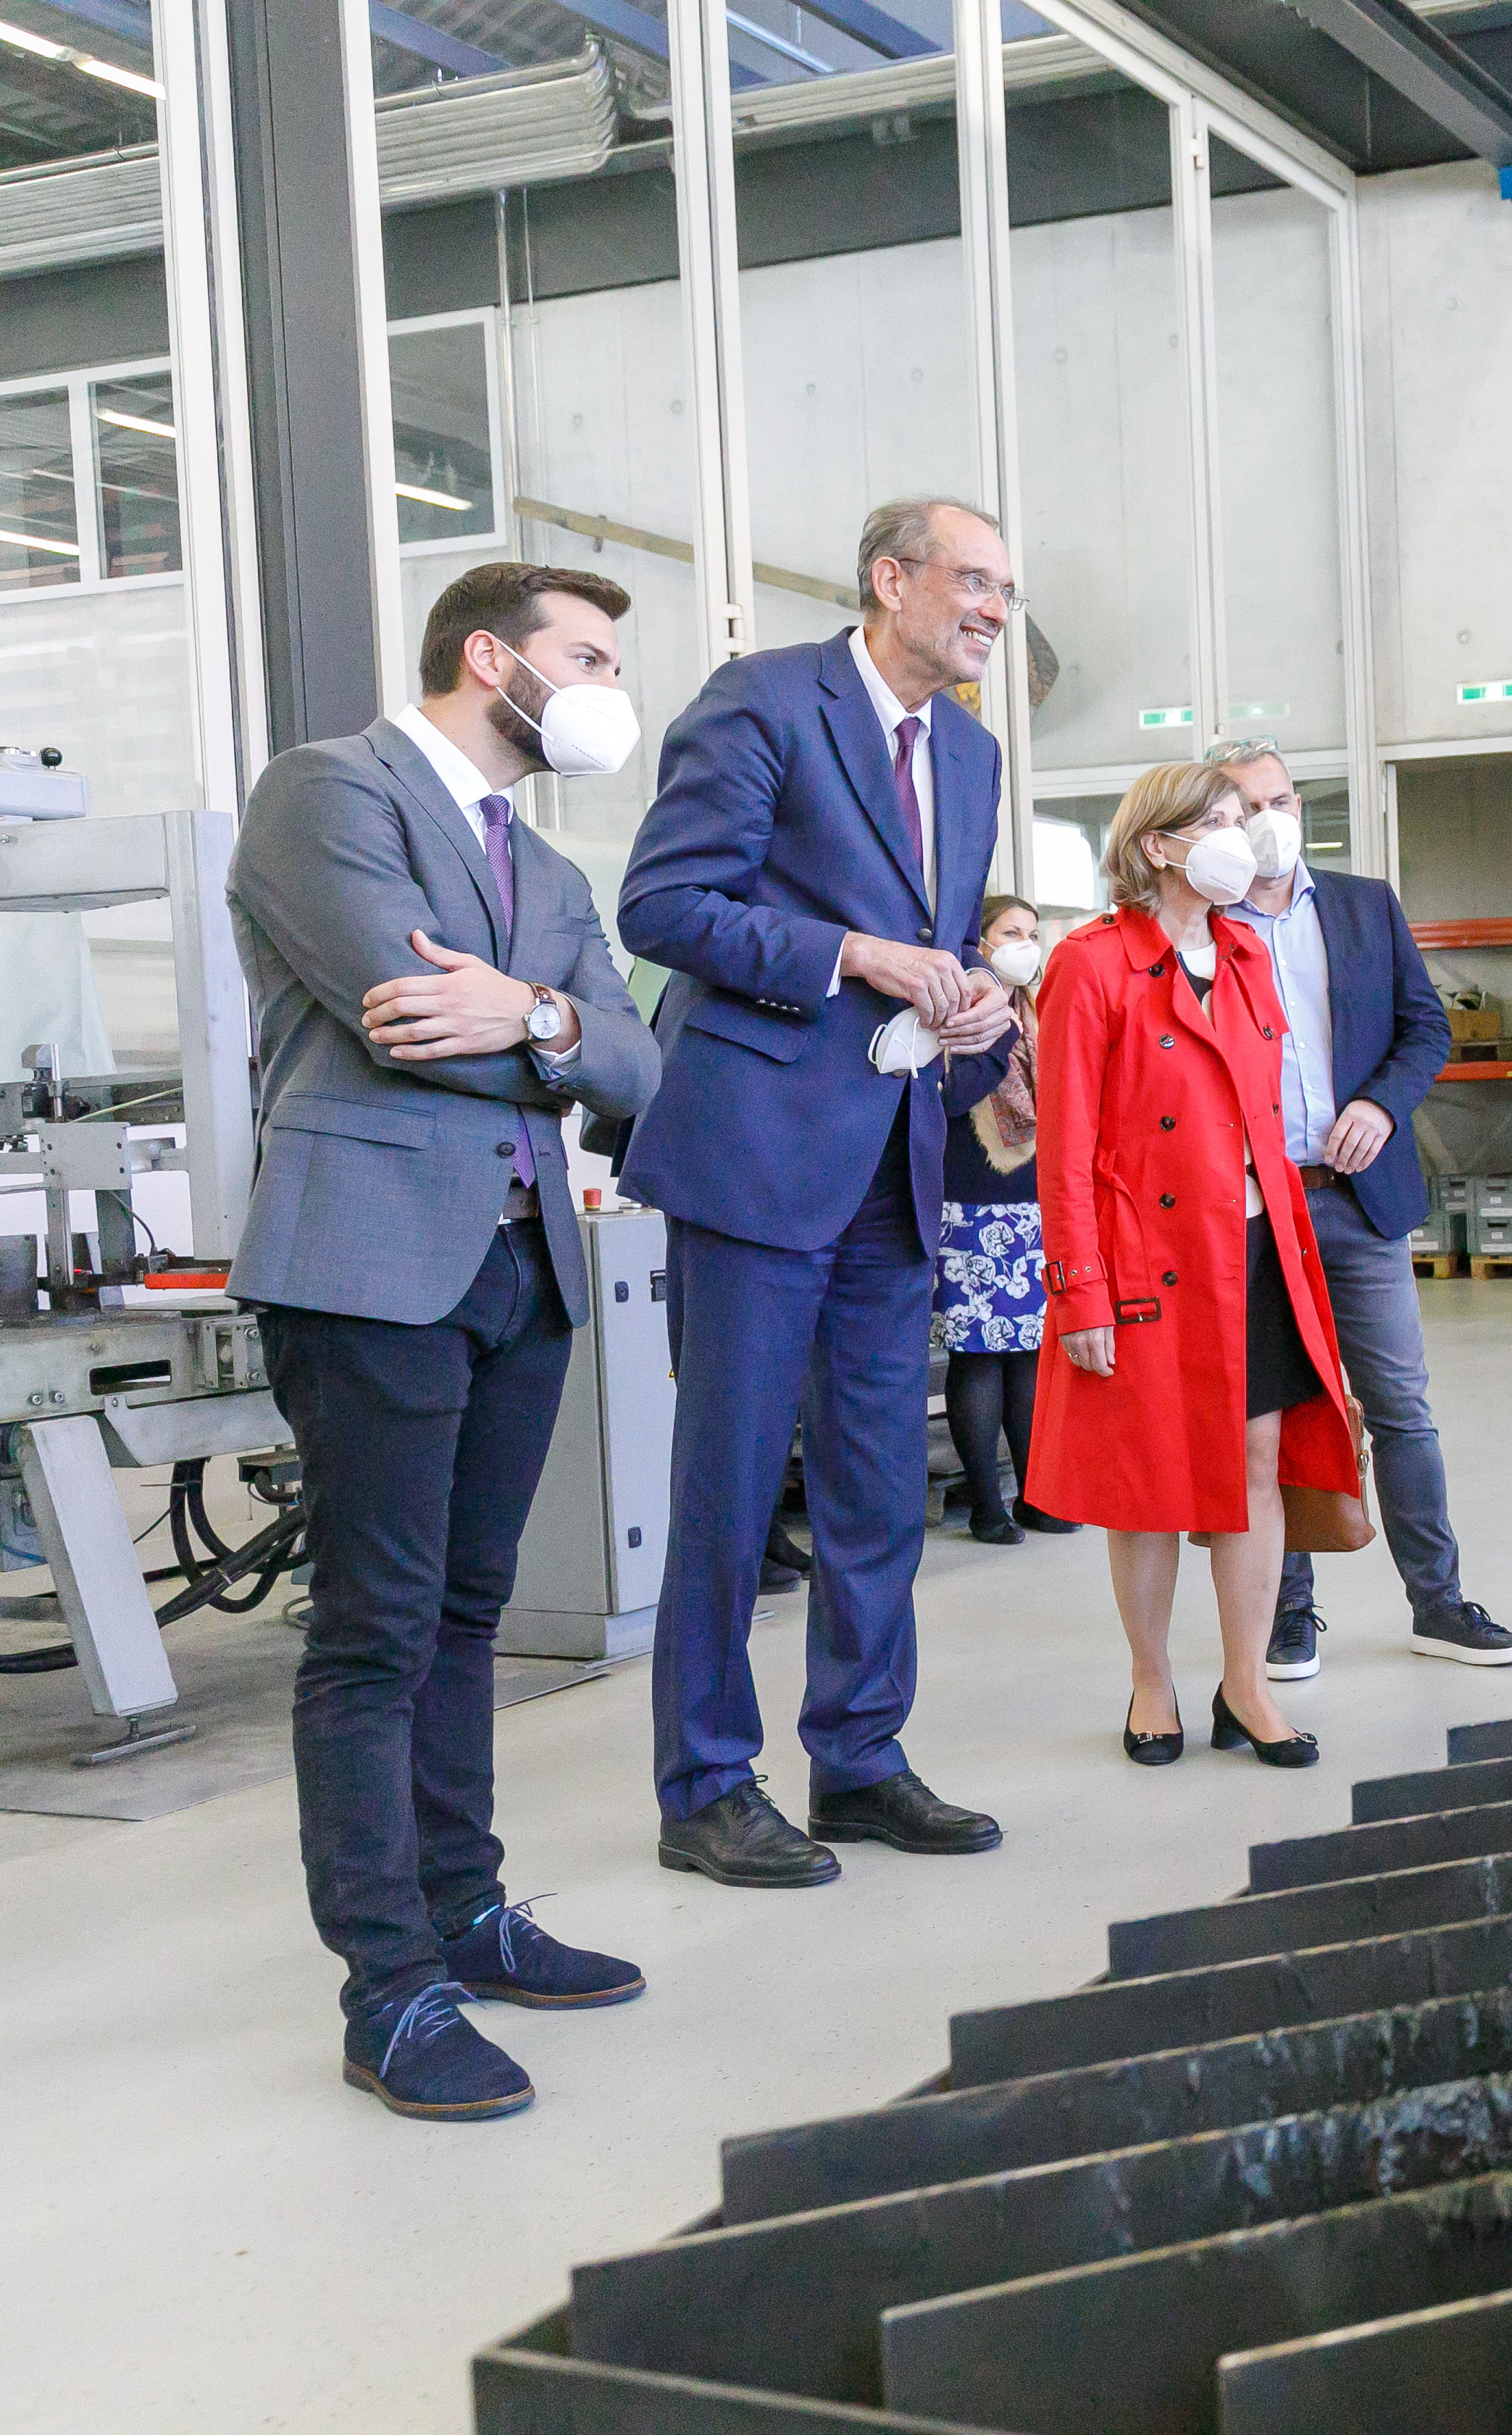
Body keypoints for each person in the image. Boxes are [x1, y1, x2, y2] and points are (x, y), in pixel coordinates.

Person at [227, 560, 666, 2120]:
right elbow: (401, 1015)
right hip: (369, 1264)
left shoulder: (542, 867)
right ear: (492, 658)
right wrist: (552, 1033)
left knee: (468, 1616)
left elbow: (640, 1067)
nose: (611, 688)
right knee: (376, 1630)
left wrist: (536, 1017)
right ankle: (390, 1989)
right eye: (590, 657)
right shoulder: (324, 793)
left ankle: (465, 1910)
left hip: (522, 1270)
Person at [614, 499, 1021, 1888]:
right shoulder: (765, 702)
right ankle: (705, 1786)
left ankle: (858, 1758)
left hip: (897, 1157)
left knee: (878, 1487)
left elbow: (943, 940)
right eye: (974, 580)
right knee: (731, 1486)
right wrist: (852, 953)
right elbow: (665, 906)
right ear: (890, 579)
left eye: (1006, 590)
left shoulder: (970, 753)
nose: (994, 609)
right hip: (758, 1150)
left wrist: (975, 1003)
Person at [1024, 761, 1362, 1767]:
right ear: (1158, 845)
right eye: (1217, 820)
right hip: (1147, 1259)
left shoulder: (1247, 955)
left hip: (1253, 1248)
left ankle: (1247, 1684)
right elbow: (1065, 1147)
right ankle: (1151, 1680)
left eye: (1244, 816)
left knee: (1258, 1461)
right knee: (1149, 1479)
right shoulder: (1090, 965)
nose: (1242, 835)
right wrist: (1078, 1288)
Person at [1208, 740, 1512, 1676]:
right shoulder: (1202, 927)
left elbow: (1425, 1028)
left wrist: (1382, 1106)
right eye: (1244, 808)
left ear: (1299, 807)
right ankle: (1288, 1614)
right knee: (1275, 1419)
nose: (1267, 821)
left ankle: (1440, 1603)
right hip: (1257, 1211)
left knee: (1401, 1409)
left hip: (1358, 1203)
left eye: (1278, 801)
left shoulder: (1363, 905)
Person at [935, 891, 1072, 1544]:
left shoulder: (1040, 1012)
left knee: (1031, 1356)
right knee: (980, 1356)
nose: (1026, 945)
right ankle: (987, 1505)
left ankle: (1036, 1495)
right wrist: (1002, 1035)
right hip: (970, 1201)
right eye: (1011, 933)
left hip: (1035, 1201)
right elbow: (950, 1097)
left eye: (1032, 933)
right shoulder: (959, 1012)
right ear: (980, 946)